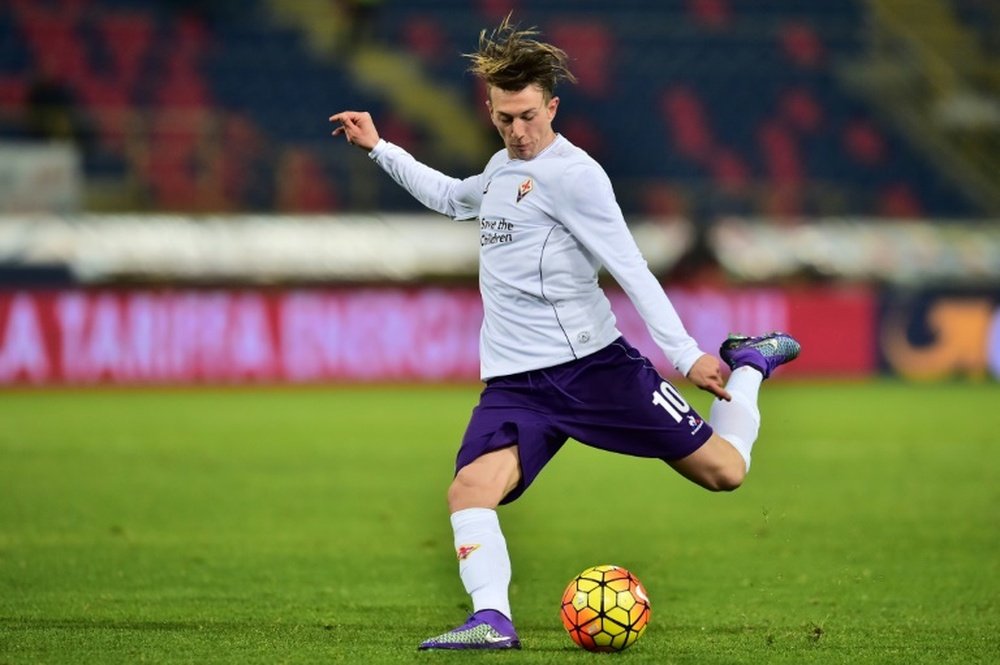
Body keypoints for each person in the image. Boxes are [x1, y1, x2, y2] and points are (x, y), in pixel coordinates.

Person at [329, 15, 800, 651]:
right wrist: (380, 148)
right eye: (504, 118)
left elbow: (630, 267)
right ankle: (491, 620)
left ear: (552, 106)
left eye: (527, 116)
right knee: (468, 489)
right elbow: (451, 197)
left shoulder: (579, 177)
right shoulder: (499, 170)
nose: (517, 132)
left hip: (594, 370)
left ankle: (749, 365)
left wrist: (687, 355)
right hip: (517, 384)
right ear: (490, 110)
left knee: (726, 472)